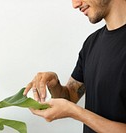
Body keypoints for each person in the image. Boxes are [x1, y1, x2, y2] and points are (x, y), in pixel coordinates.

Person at [23, 0, 126, 132]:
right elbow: (70, 97)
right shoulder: (91, 43)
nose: (75, 4)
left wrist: (76, 113)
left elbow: (71, 108)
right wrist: (55, 84)